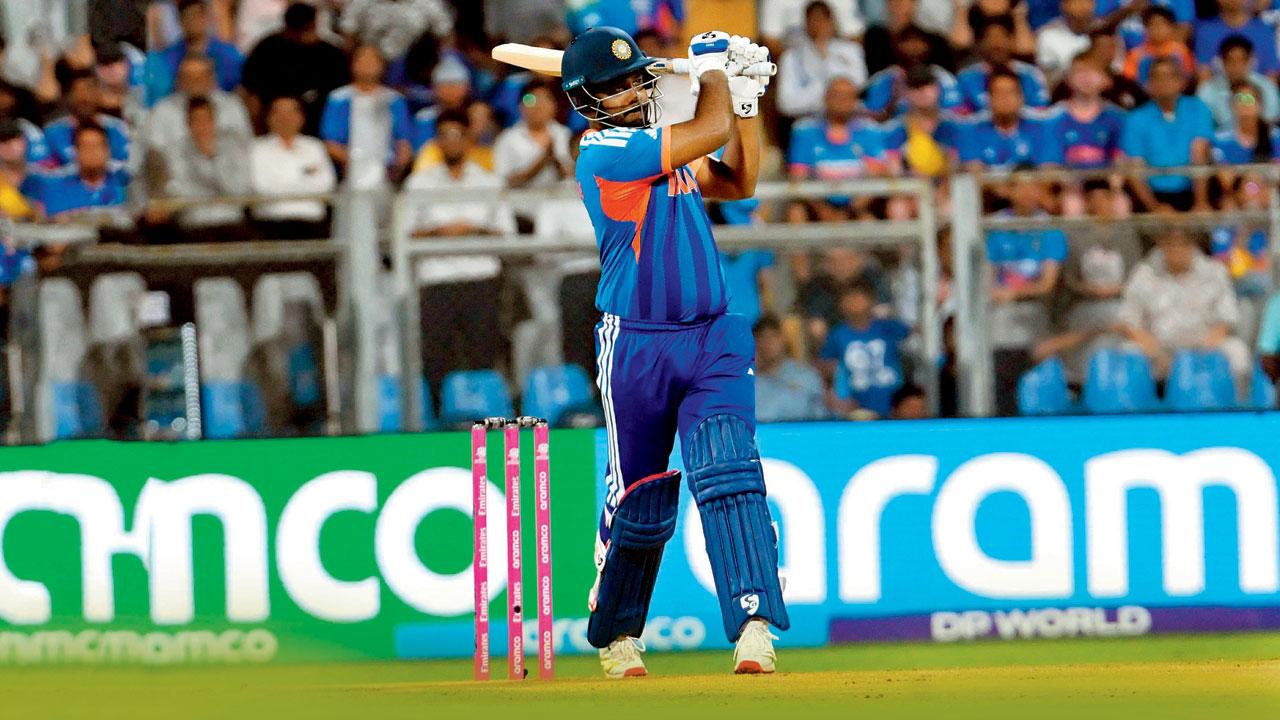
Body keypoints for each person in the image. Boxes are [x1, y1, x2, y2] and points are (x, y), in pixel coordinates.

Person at [560, 27, 788, 677]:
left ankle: (753, 627)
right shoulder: (603, 152)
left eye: (636, 77)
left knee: (730, 468)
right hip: (637, 342)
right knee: (639, 495)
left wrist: (745, 103)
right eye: (617, 85)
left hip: (713, 336)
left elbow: (739, 181)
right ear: (589, 101)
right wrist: (715, 73)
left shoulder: (664, 147)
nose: (635, 89)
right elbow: (709, 129)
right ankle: (617, 633)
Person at [402, 109, 514, 405]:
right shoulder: (418, 184)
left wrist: (473, 229)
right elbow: (403, 236)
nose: (451, 141)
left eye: (457, 135)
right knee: (436, 358)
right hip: (436, 281)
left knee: (483, 355)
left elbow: (507, 235)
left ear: (468, 139)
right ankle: (440, 418)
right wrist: (439, 232)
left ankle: (485, 416)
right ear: (437, 141)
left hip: (481, 280)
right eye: (445, 136)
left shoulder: (489, 182)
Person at [1116, 228, 1250, 390]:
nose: (1177, 249)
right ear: (1160, 244)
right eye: (1170, 244)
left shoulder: (1215, 271)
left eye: (1183, 244)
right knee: (1130, 352)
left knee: (1237, 352)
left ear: (1193, 244)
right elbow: (1129, 322)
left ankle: (1234, 402)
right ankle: (1138, 403)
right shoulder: (1142, 273)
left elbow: (1226, 319)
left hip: (1204, 347)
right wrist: (1155, 351)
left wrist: (1203, 351)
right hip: (1158, 350)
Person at [986, 173, 1066, 415]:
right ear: (1010, 191)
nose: (1028, 193)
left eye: (1033, 187)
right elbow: (988, 280)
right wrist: (1000, 294)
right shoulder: (995, 226)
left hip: (1036, 310)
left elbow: (1047, 284)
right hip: (1000, 311)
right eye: (1021, 187)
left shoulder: (1049, 228)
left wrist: (1013, 293)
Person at [240, 2, 350, 135]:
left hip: (319, 129)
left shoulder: (332, 55)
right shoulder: (266, 50)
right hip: (272, 130)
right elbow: (252, 95)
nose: (314, 34)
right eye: (309, 29)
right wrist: (256, 128)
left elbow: (342, 96)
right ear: (291, 31)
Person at [1120, 57, 1213, 212]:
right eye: (1157, 77)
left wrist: (1200, 203)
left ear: (1181, 81)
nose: (1164, 82)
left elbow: (1199, 153)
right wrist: (1155, 207)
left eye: (1170, 76)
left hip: (1192, 192)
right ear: (1149, 84)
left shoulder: (1198, 109)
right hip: (1153, 195)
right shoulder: (1136, 118)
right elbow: (1135, 166)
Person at [156, 96, 254, 241]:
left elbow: (239, 190)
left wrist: (213, 158)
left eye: (207, 120)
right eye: (196, 120)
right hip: (194, 223)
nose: (202, 126)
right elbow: (180, 190)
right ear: (188, 124)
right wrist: (216, 193)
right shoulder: (175, 151)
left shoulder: (233, 148)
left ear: (215, 121)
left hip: (230, 221)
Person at [319, 44, 413, 188]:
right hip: (349, 173)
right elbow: (330, 142)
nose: (367, 64)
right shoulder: (338, 99)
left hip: (386, 173)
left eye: (373, 60)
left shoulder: (395, 100)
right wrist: (358, 166)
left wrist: (396, 168)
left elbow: (403, 141)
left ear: (382, 65)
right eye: (362, 59)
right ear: (352, 64)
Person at [820, 280, 911, 419]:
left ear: (871, 300)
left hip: (893, 404)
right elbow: (825, 366)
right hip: (854, 407)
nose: (855, 303)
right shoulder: (837, 334)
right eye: (850, 298)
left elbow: (913, 335)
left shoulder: (888, 327)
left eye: (859, 297)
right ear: (841, 304)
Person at [250, 95, 336, 239]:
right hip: (270, 223)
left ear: (301, 117)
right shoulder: (257, 149)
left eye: (291, 113)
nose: (286, 118)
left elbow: (326, 185)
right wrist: (302, 181)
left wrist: (281, 183)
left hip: (312, 222)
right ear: (269, 118)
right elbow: (260, 187)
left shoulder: (315, 147)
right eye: (279, 113)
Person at [493, 79, 573, 222]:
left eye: (544, 99)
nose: (538, 105)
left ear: (554, 105)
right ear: (520, 106)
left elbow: (573, 178)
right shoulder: (507, 139)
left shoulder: (566, 136)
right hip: (521, 214)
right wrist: (540, 163)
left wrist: (555, 161)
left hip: (561, 213)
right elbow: (503, 182)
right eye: (530, 99)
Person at [775, 1, 869, 119]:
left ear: (832, 21)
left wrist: (827, 59)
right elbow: (786, 103)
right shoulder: (790, 57)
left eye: (823, 19)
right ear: (806, 23)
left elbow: (859, 86)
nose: (818, 25)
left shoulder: (851, 50)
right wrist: (823, 94)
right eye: (814, 20)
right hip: (809, 122)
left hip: (850, 120)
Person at [957, 68, 1062, 170]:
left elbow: (1049, 170)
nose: (1005, 98)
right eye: (999, 93)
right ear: (989, 98)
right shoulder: (971, 129)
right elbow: (973, 171)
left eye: (1010, 92)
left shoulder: (1042, 128)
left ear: (1021, 97)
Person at [145, 0, 244, 105]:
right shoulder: (167, 58)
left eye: (197, 15)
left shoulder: (229, 56)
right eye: (187, 16)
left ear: (206, 17)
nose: (192, 21)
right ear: (179, 20)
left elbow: (240, 89)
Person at [956, 15, 1050, 113]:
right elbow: (960, 115)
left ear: (1012, 41)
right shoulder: (966, 77)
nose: (997, 44)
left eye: (1002, 37)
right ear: (981, 43)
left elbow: (1041, 111)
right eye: (990, 38)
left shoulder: (1031, 74)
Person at [36, 123, 130, 219]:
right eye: (85, 147)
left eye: (97, 146)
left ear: (108, 151)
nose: (91, 152)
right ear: (76, 152)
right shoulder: (56, 190)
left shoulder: (124, 187)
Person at [43, 68, 131, 167]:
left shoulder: (119, 129)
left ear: (99, 95)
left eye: (89, 90)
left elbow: (127, 166)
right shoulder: (52, 132)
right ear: (69, 96)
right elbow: (45, 169)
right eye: (78, 91)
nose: (84, 97)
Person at [752, 314, 828, 422]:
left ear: (783, 339)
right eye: (762, 338)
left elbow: (820, 415)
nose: (768, 343)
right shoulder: (750, 382)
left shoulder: (805, 375)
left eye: (773, 336)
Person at [1198, 35, 1280, 130]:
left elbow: (1271, 121)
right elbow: (1203, 124)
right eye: (1230, 60)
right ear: (1221, 62)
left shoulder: (1266, 86)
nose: (1236, 66)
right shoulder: (1207, 90)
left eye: (1242, 60)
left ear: (1251, 60)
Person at [1193, 0, 1279, 77]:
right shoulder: (1205, 31)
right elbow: (1204, 74)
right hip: (1218, 89)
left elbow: (1271, 75)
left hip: (1257, 89)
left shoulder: (1264, 31)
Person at [1121, 6, 1194, 85]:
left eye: (1162, 24)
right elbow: (1129, 80)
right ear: (1146, 28)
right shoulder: (1136, 54)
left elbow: (1188, 78)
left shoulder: (1181, 52)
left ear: (1171, 28)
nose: (1158, 28)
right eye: (1153, 25)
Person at [1036, 0, 1098, 83]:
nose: (1083, 6)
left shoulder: (1105, 32)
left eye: (1088, 1)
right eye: (1077, 2)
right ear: (1064, 5)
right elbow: (1047, 80)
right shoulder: (1047, 36)